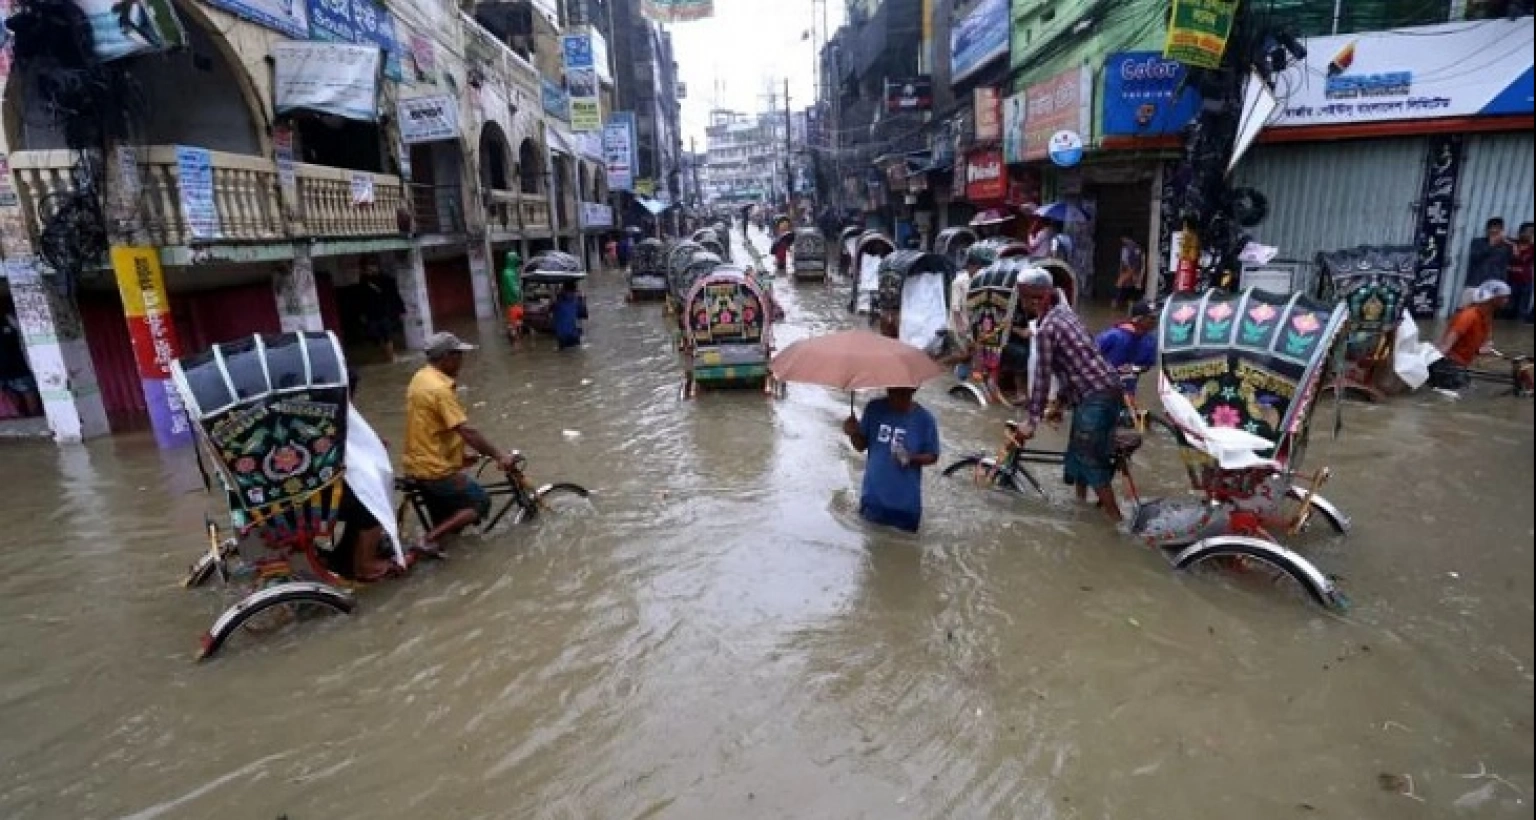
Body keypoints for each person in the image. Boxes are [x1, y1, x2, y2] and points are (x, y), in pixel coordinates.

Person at [1013, 268, 1128, 523]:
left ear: (1035, 298)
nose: (1023, 303)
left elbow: (1042, 378)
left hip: (1095, 397)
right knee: (1078, 455)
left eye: (1024, 298)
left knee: (1089, 460)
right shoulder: (1066, 315)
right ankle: (1081, 508)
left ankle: (1116, 525)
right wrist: (1061, 402)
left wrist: (1031, 422)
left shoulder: (1045, 329)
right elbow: (1077, 363)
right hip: (1107, 390)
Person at [402, 333, 521, 550]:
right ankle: (427, 540)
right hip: (435, 469)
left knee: (447, 529)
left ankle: (437, 545)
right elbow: (466, 431)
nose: (462, 361)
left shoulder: (421, 378)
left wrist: (461, 456)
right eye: (458, 355)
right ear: (446, 357)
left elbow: (429, 427)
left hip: (417, 464)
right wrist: (499, 455)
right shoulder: (440, 390)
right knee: (480, 502)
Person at [841, 387, 940, 533]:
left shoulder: (925, 420)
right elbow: (861, 446)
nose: (896, 397)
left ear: (913, 391)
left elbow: (933, 455)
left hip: (905, 507)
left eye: (903, 393)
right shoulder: (874, 409)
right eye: (892, 391)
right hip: (873, 501)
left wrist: (911, 458)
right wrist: (853, 432)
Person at [1431, 280, 1511, 392]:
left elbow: (1475, 344)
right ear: (1493, 298)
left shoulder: (1487, 317)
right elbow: (1446, 345)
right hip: (1449, 365)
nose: (1507, 300)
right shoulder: (1469, 316)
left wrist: (1480, 350)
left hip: (1461, 365)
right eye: (1504, 297)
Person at [1096, 301, 1159, 400]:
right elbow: (1089, 356)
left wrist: (1134, 368)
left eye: (1156, 317)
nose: (1155, 321)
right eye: (1151, 318)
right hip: (1100, 390)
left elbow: (1147, 365)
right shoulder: (1113, 336)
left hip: (1127, 394)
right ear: (1139, 319)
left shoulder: (1150, 341)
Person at [0, 301, 42, 418]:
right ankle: (19, 415)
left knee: (27, 389)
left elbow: (23, 332)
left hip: (18, 363)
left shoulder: (10, 320)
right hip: (4, 366)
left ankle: (34, 415)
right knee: (10, 391)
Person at [359, 261, 406, 362]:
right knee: (376, 336)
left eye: (372, 267)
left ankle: (391, 357)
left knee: (387, 335)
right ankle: (387, 355)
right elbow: (361, 300)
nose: (371, 270)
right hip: (371, 315)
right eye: (368, 269)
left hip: (385, 313)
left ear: (377, 267)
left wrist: (401, 310)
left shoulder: (385, 279)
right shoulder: (363, 282)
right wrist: (362, 315)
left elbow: (394, 295)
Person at [1464, 217, 1512, 308]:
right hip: (1475, 284)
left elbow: (1505, 266)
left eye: (1498, 229)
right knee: (1467, 310)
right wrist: (1491, 245)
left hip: (1494, 287)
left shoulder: (1506, 246)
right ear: (1487, 229)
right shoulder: (1477, 242)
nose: (1494, 231)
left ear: (1502, 230)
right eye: (1492, 228)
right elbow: (1475, 257)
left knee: (1487, 313)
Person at [1113, 233, 1145, 313]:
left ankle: (1116, 303)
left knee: (1119, 285)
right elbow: (1141, 261)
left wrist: (1126, 271)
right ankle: (1130, 307)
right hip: (1136, 270)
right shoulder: (1138, 248)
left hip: (1128, 270)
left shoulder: (1126, 248)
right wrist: (1138, 273)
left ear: (1124, 238)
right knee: (1132, 287)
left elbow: (1124, 261)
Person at [1508, 221, 1533, 324]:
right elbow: (1501, 238)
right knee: (1508, 308)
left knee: (1522, 311)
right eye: (1530, 232)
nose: (1531, 235)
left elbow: (1522, 259)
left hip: (1526, 282)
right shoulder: (1511, 244)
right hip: (1510, 281)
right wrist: (1513, 245)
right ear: (1521, 232)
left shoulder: (1532, 248)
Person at [551, 281, 587, 349]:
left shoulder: (557, 301)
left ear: (563, 288)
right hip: (574, 334)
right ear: (575, 290)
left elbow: (550, 310)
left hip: (561, 336)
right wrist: (583, 300)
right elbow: (584, 315)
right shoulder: (577, 301)